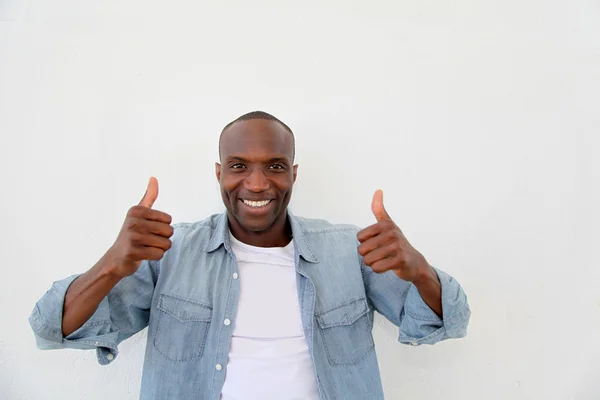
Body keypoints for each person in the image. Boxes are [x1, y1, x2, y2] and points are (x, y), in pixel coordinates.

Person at [29, 111, 471, 400]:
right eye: (239, 165)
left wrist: (420, 272)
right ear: (220, 172)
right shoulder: (170, 251)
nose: (257, 183)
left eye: (274, 166)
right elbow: (53, 328)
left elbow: (445, 321)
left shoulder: (349, 250)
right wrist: (110, 265)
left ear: (293, 173)